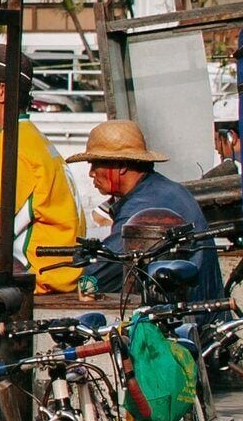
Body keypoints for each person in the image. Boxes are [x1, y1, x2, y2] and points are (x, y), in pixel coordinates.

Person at [67, 120, 212, 298]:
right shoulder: (161, 190)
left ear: (121, 166)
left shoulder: (143, 206)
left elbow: (99, 276)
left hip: (187, 317)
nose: (91, 172)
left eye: (95, 164)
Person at [0, 52, 86, 293]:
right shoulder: (33, 138)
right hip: (62, 275)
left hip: (36, 281)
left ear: (1, 91)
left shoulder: (9, 146)